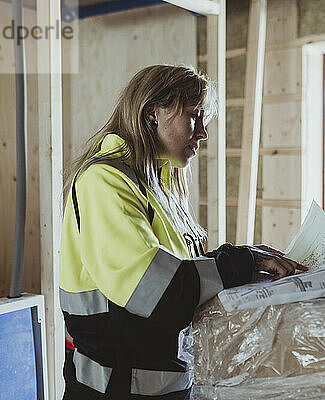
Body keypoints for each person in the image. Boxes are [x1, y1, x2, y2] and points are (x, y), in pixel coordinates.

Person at [60, 64, 305, 400]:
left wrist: (241, 262)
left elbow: (178, 272)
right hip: (113, 389)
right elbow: (159, 292)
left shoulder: (156, 180)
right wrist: (240, 263)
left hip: (162, 386)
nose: (202, 132)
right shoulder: (105, 182)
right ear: (152, 114)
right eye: (195, 116)